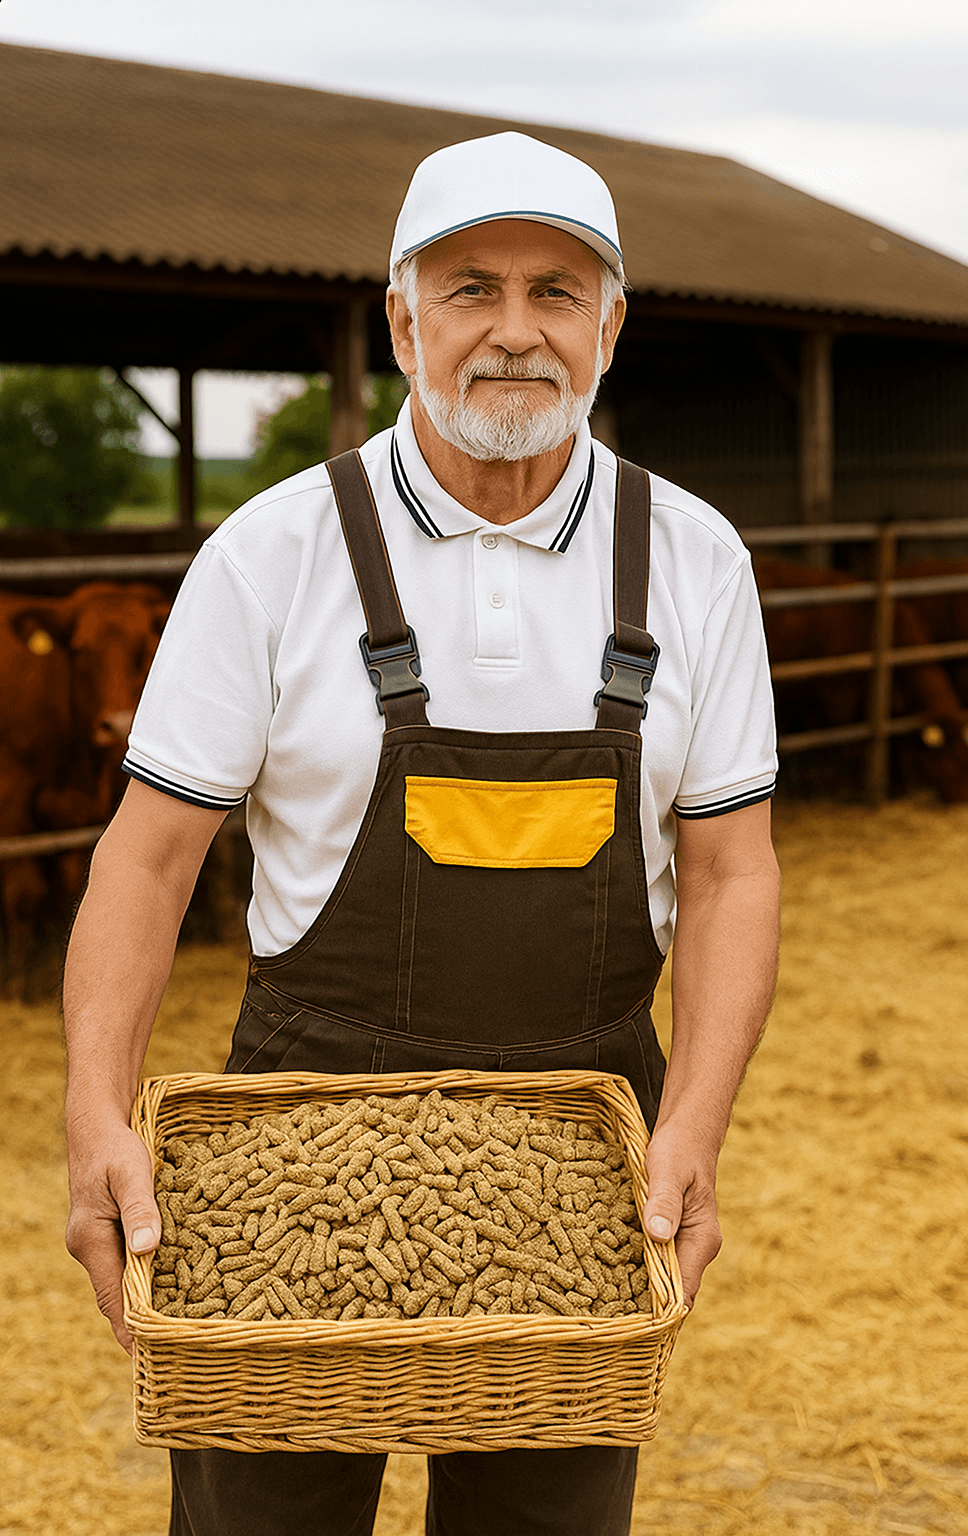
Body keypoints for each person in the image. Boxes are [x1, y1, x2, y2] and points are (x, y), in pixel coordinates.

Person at [63, 130, 780, 1536]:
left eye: (558, 293)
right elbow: (147, 858)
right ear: (402, 320)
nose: (515, 333)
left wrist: (695, 1119)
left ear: (612, 328)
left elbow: (732, 868)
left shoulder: (695, 558)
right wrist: (96, 1104)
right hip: (298, 1131)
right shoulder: (269, 555)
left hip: (587, 1151)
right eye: (469, 289)